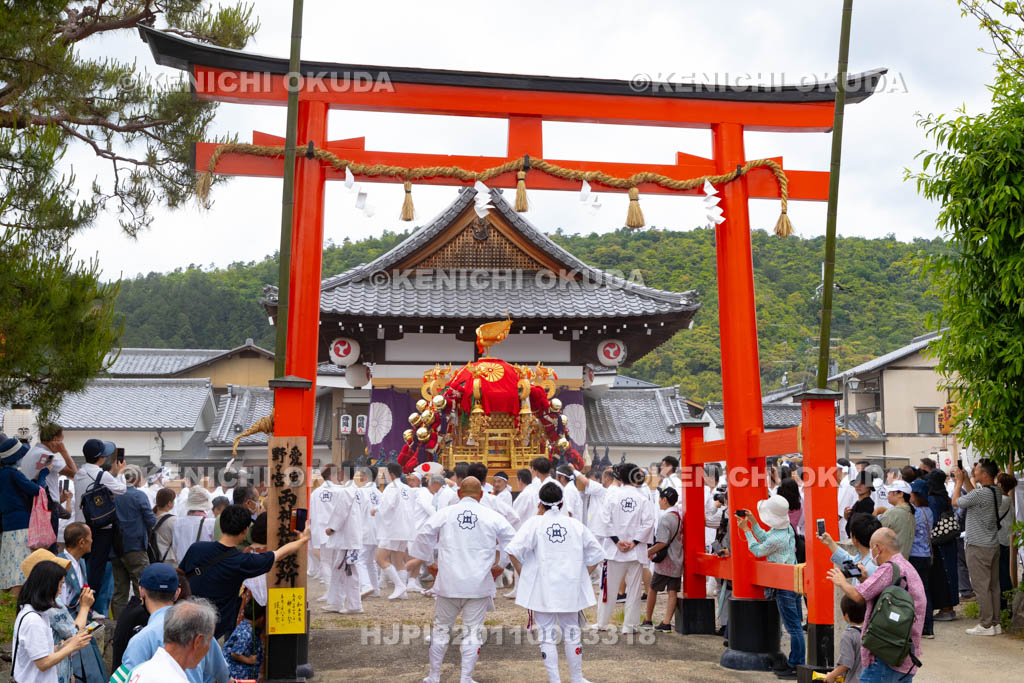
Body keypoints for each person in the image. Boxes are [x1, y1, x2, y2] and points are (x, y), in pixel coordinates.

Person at [408, 477, 516, 683]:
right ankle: (466, 678)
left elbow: (424, 534)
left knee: (440, 630)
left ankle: (433, 677)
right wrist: (501, 564)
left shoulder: (445, 513)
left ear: (458, 493)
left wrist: (429, 561)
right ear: (481, 495)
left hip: (449, 582)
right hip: (478, 584)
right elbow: (512, 540)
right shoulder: (491, 516)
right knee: (473, 632)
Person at [507, 481, 603, 683]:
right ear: (562, 503)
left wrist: (523, 573)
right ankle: (576, 678)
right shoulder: (575, 525)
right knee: (572, 632)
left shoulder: (534, 523)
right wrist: (581, 575)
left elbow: (513, 550)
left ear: (540, 503)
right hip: (570, 587)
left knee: (546, 636)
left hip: (542, 588)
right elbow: (597, 553)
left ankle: (555, 680)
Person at [180, 504, 309, 639]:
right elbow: (279, 554)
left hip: (185, 618)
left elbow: (181, 575)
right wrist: (303, 539)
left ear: (220, 526)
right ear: (244, 531)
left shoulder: (196, 548)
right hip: (212, 626)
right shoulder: (242, 561)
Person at [827, 528, 925, 683]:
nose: (872, 554)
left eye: (872, 548)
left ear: (878, 548)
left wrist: (842, 582)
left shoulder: (889, 568)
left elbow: (859, 596)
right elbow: (877, 593)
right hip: (902, 652)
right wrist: (864, 579)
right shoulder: (906, 566)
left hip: (885, 656)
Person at [120, 564, 226, 683]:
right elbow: (223, 674)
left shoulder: (141, 639)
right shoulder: (200, 628)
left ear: (141, 591)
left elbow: (123, 678)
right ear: (177, 593)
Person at [736, 495, 803, 679]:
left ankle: (796, 664)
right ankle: (795, 662)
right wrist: (753, 522)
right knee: (795, 625)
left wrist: (747, 531)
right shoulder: (786, 529)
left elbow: (758, 550)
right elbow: (766, 537)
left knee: (793, 627)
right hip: (792, 579)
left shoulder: (777, 538)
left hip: (783, 585)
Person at [595, 463, 655, 634]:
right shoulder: (643, 498)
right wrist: (634, 542)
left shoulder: (612, 496)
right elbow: (649, 523)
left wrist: (617, 541)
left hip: (615, 550)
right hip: (634, 551)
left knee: (608, 588)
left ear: (619, 478)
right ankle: (630, 626)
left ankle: (602, 623)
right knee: (634, 590)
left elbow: (604, 520)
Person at [11, 559, 93, 683]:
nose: (60, 591)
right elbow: (43, 663)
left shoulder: (35, 614)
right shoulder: (33, 621)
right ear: (48, 586)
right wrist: (72, 646)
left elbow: (42, 652)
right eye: (60, 585)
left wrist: (65, 644)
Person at [953, 459, 1004, 635]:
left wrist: (959, 482)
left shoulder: (981, 494)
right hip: (992, 544)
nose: (974, 471)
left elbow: (955, 501)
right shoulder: (995, 491)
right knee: (993, 586)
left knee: (981, 587)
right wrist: (967, 479)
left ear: (985, 474)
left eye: (977, 470)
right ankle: (995, 623)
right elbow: (974, 495)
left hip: (977, 545)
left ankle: (986, 625)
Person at [72, 438, 126, 591]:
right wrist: (120, 473)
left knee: (83, 563)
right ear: (101, 458)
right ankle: (91, 598)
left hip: (81, 525)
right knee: (97, 566)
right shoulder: (103, 475)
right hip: (100, 527)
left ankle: (80, 594)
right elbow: (122, 489)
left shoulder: (79, 474)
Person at [124, 598, 219, 683]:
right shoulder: (177, 680)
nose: (208, 648)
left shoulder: (137, 670)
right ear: (197, 642)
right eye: (209, 641)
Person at [111, 465, 156, 618]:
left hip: (115, 547)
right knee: (142, 587)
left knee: (120, 590)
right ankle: (141, 620)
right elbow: (151, 520)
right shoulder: (139, 495)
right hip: (136, 546)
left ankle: (119, 624)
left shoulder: (113, 495)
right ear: (136, 479)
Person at [21, 423, 77, 544]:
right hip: (47, 509)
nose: (62, 444)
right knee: (49, 547)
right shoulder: (46, 456)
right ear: (55, 439)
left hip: (31, 504)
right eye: (61, 441)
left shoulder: (31, 452)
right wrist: (63, 451)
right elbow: (73, 473)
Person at [0, 435, 43, 594]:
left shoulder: (2, 474)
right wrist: (42, 474)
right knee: (20, 569)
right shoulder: (14, 474)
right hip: (21, 526)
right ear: (15, 458)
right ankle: (16, 603)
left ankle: (6, 604)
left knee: (9, 567)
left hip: (7, 525)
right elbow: (37, 490)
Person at [375, 462, 420, 600]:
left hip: (392, 529)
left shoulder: (391, 487)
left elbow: (387, 506)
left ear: (391, 474)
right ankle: (403, 592)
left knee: (380, 559)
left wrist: (375, 510)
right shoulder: (407, 488)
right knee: (398, 561)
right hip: (405, 528)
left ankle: (400, 585)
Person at [323, 465, 364, 614]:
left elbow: (341, 513)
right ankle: (336, 602)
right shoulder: (357, 490)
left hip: (348, 538)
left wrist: (332, 528)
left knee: (349, 570)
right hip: (352, 535)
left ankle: (355, 605)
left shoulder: (347, 491)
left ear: (342, 473)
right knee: (339, 568)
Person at [642, 486, 683, 632]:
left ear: (665, 500)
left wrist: (647, 552)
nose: (658, 501)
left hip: (665, 561)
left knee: (653, 588)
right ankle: (666, 623)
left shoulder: (665, 518)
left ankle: (648, 620)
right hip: (678, 558)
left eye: (660, 498)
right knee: (673, 591)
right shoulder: (679, 515)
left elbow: (662, 542)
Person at [925, 469, 959, 621]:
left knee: (941, 575)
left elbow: (932, 521)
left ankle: (945, 609)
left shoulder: (933, 499)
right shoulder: (945, 496)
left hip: (938, 542)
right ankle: (949, 607)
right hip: (949, 540)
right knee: (950, 573)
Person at [817, 513, 882, 584]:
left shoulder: (869, 568)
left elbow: (859, 591)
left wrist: (842, 583)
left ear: (854, 538)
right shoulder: (871, 558)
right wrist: (830, 543)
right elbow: (850, 560)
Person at [907, 480, 934, 638]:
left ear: (915, 495)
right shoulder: (928, 511)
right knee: (925, 591)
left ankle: (918, 627)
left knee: (914, 593)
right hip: (926, 556)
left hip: (914, 555)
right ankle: (928, 626)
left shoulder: (914, 513)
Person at [824, 595, 865, 683]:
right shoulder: (871, 631)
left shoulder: (848, 635)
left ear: (846, 616)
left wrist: (831, 675)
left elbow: (845, 663)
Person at [223, 599, 264, 681]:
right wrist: (249, 660)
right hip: (236, 674)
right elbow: (235, 653)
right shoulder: (246, 633)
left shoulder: (247, 627)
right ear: (261, 618)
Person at [172, 487, 214, 564]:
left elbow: (175, 546)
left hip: (183, 564)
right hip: (203, 565)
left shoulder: (178, 522)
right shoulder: (210, 523)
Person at [995, 473, 1016, 612]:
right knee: (1003, 572)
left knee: (1000, 574)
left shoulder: (1001, 500)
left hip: (998, 541)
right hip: (1005, 540)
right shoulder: (1009, 500)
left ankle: (1003, 606)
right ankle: (1007, 602)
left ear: (1000, 485)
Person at [879, 480, 915, 559]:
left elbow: (876, 536)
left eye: (890, 491)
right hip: (903, 561)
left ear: (900, 494)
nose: (888, 494)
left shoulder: (892, 513)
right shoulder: (910, 511)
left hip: (890, 561)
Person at [151, 488, 178, 567]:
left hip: (152, 557)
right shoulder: (173, 520)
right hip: (168, 559)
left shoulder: (150, 517)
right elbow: (177, 542)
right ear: (169, 503)